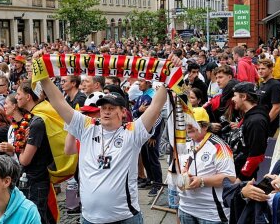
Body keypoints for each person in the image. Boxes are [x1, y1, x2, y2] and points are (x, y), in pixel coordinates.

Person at [34, 51, 181, 223]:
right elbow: (58, 102)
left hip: (125, 218)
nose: (106, 111)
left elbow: (156, 106)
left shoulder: (132, 132)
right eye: (103, 108)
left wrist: (171, 73)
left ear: (123, 112)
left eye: (112, 108)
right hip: (89, 219)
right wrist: (42, 74)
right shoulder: (87, 127)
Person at [178, 107, 236, 223]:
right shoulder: (183, 143)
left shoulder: (219, 146)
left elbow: (230, 178)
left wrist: (201, 181)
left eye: (192, 123)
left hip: (211, 214)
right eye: (186, 123)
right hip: (185, 209)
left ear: (205, 126)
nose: (188, 127)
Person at [15, 81, 54, 224]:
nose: (16, 97)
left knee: (36, 218)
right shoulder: (32, 118)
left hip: (35, 180)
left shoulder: (36, 122)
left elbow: (25, 160)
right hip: (35, 178)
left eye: (19, 94)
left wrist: (21, 146)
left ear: (28, 97)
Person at [232, 82, 269, 180]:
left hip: (244, 178)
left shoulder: (256, 121)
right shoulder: (249, 116)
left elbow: (256, 156)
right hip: (236, 169)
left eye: (235, 96)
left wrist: (240, 178)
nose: (232, 99)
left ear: (243, 96)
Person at [0, 93, 29, 160]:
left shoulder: (28, 124)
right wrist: (4, 148)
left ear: (14, 106)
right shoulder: (12, 126)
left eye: (6, 103)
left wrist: (13, 149)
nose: (4, 106)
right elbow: (12, 154)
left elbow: (29, 152)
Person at [256, 59, 280, 137]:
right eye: (259, 69)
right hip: (259, 122)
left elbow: (276, 108)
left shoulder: (275, 85)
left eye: (263, 69)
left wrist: (265, 123)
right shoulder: (261, 83)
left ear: (271, 69)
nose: (260, 71)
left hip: (268, 125)